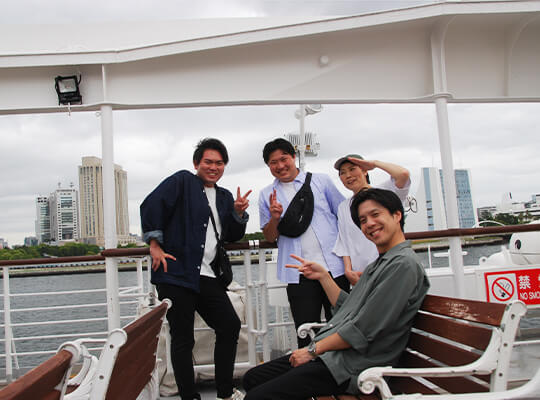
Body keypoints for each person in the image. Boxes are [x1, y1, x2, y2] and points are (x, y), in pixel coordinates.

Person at [243, 188, 430, 400]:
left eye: (375, 215)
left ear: (397, 215)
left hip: (355, 367)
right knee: (253, 378)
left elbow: (364, 328)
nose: (369, 224)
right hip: (335, 357)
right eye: (363, 220)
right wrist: (323, 276)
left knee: (257, 397)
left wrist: (312, 350)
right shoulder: (381, 264)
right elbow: (349, 307)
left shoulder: (402, 266)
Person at [140, 138, 250, 400]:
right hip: (176, 273)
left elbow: (232, 235)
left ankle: (225, 392)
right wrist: (154, 244)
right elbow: (151, 205)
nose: (213, 167)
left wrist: (237, 213)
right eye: (208, 162)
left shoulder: (224, 197)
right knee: (182, 337)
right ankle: (189, 397)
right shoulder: (182, 181)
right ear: (196, 163)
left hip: (208, 275)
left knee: (230, 325)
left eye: (219, 163)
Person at [258, 138, 348, 348]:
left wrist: (351, 261)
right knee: (305, 332)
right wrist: (275, 218)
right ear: (268, 166)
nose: (280, 166)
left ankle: (341, 369)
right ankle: (309, 368)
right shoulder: (266, 195)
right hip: (299, 274)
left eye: (284, 159)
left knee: (343, 327)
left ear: (293, 157)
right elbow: (270, 237)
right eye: (273, 162)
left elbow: (344, 215)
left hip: (335, 268)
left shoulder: (321, 181)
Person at [333, 154, 410, 286]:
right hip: (361, 276)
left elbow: (403, 174)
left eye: (352, 169)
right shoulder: (343, 207)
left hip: (390, 269)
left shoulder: (384, 191)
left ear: (365, 170)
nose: (348, 175)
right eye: (343, 173)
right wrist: (348, 270)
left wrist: (374, 164)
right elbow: (344, 241)